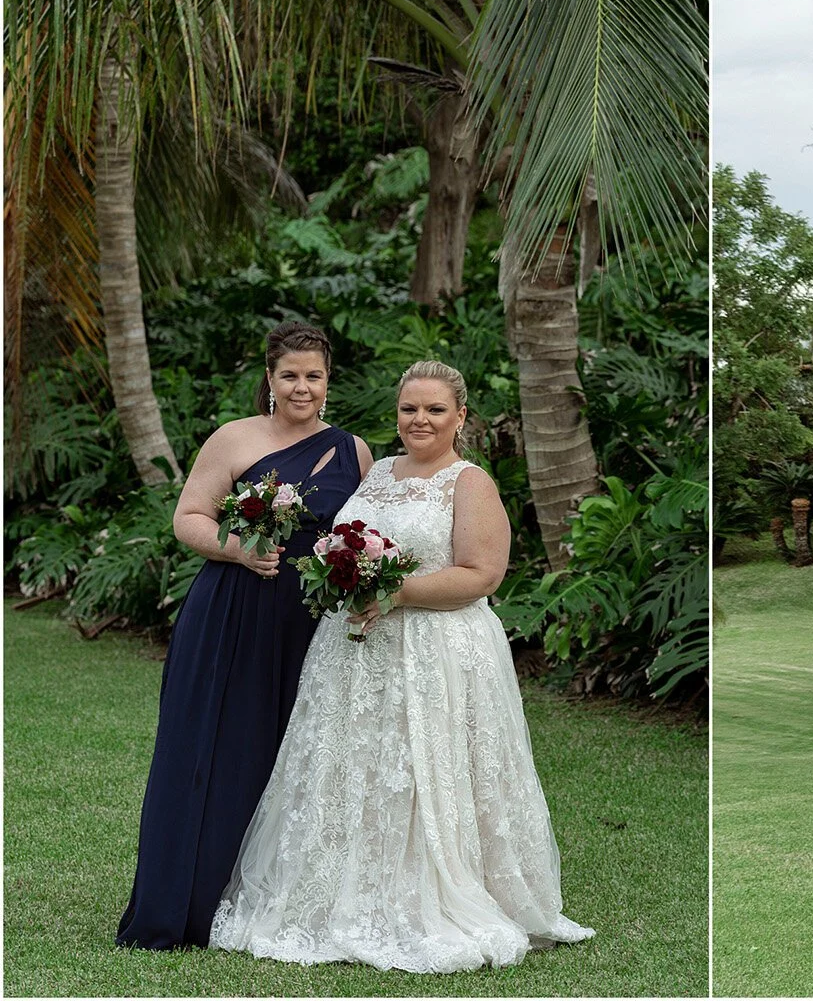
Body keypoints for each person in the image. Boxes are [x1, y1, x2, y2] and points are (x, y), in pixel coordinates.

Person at [209, 360, 592, 972]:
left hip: (438, 650)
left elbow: (481, 575)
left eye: (436, 409)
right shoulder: (378, 471)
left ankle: (441, 895)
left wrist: (393, 593)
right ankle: (340, 894)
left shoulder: (470, 483)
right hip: (355, 650)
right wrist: (345, 576)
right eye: (410, 408)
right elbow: (342, 542)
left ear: (460, 416)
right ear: (397, 414)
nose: (421, 420)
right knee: (356, 770)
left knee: (425, 771)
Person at [118, 322, 369, 949]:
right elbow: (188, 518)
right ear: (270, 378)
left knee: (293, 756)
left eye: (314, 375)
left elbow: (359, 535)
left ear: (328, 380)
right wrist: (239, 549)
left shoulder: (355, 452)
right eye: (290, 375)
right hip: (232, 611)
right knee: (212, 747)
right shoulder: (234, 439)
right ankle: (184, 904)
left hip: (313, 624)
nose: (302, 387)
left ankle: (270, 901)